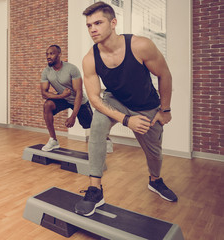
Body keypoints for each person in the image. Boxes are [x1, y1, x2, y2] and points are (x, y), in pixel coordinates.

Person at [75, 2, 177, 216]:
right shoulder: (90, 59)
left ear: (113, 23)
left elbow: (164, 74)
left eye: (98, 23)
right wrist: (125, 119)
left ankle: (155, 181)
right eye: (89, 25)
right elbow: (94, 98)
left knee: (155, 154)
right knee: (98, 125)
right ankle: (95, 189)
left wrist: (164, 110)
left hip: (147, 106)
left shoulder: (140, 46)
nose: (92, 29)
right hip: (116, 100)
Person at [40, 45, 93, 151]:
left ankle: (106, 139)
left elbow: (79, 93)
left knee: (91, 125)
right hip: (64, 99)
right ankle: (53, 140)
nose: (48, 56)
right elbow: (44, 94)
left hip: (80, 101)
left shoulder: (71, 69)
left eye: (52, 53)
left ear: (59, 54)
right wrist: (61, 96)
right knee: (47, 105)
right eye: (47, 54)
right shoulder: (46, 71)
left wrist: (73, 116)